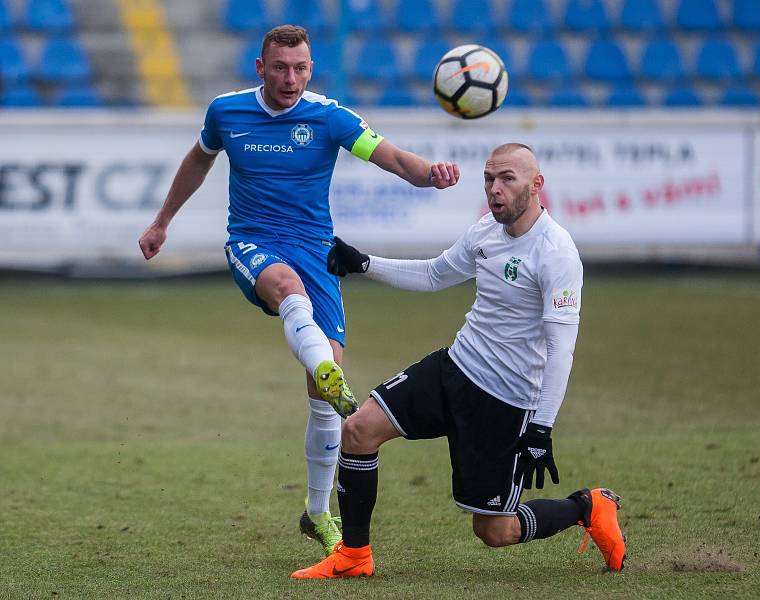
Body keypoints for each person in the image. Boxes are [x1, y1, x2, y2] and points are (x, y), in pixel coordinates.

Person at [137, 24, 459, 557]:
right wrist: (162, 221)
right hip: (253, 242)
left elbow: (393, 158)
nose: (292, 78)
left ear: (311, 69)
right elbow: (199, 158)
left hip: (317, 251)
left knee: (322, 401)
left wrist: (433, 174)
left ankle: (316, 511)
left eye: (301, 68)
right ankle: (329, 373)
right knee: (288, 291)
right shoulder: (227, 112)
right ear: (260, 68)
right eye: (281, 67)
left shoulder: (328, 117)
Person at [291, 143, 625, 579]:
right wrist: (364, 263)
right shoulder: (484, 231)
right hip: (456, 368)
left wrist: (542, 427)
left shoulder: (557, 252)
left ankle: (587, 506)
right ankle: (354, 556)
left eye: (507, 178)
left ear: (536, 185)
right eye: (489, 179)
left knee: (494, 531)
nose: (495, 189)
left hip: (505, 399)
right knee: (358, 430)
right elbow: (434, 275)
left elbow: (562, 347)